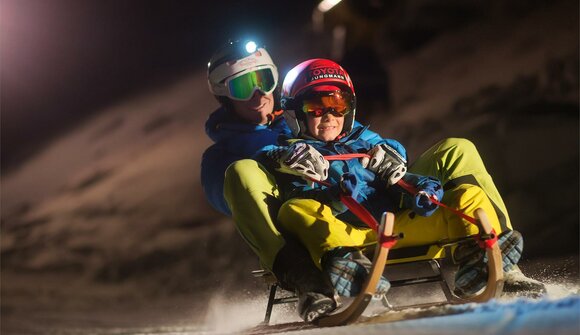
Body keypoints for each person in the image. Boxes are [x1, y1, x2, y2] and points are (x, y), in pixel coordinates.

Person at [201, 40, 535, 323]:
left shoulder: (309, 106)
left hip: (379, 201)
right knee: (246, 175)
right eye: (244, 86)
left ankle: (494, 254)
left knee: (458, 150)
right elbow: (230, 194)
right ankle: (309, 278)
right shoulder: (227, 152)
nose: (259, 93)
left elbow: (365, 134)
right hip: (317, 216)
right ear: (223, 96)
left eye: (264, 78)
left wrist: (391, 156)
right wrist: (278, 161)